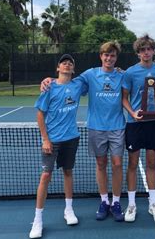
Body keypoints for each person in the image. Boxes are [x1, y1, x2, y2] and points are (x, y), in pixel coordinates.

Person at [40, 42, 126, 222]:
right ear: (101, 56)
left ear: (116, 58)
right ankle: (104, 201)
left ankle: (116, 202)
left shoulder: (121, 75)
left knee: (117, 163)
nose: (109, 58)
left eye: (112, 56)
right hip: (96, 127)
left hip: (117, 126)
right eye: (106, 55)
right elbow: (65, 81)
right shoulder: (89, 75)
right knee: (101, 163)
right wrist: (49, 79)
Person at [29, 54, 88, 239]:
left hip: (72, 137)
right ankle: (37, 220)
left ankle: (68, 210)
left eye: (70, 63)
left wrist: (118, 69)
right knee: (46, 175)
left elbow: (99, 77)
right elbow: (40, 114)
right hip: (52, 140)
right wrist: (45, 139)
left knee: (68, 172)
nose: (67, 64)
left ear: (73, 69)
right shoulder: (49, 87)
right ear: (58, 68)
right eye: (64, 63)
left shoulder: (78, 85)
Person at [122, 34, 155, 222]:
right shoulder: (130, 72)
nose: (146, 52)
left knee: (152, 164)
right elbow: (124, 97)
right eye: (142, 50)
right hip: (134, 125)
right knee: (132, 165)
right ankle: (131, 205)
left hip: (154, 124)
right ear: (138, 53)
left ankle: (153, 203)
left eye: (149, 49)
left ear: (153, 50)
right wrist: (132, 113)